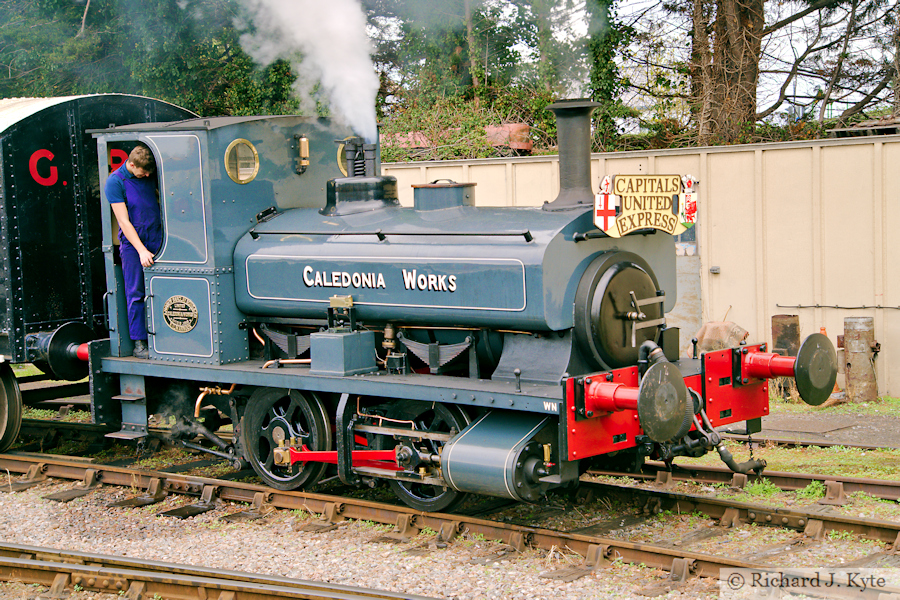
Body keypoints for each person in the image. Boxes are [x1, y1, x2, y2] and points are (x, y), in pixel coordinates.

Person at [105, 144, 162, 359]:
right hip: (132, 243)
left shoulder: (148, 173)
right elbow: (123, 221)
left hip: (156, 234)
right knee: (136, 292)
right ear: (130, 164)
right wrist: (141, 250)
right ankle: (140, 342)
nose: (146, 175)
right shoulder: (115, 181)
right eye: (143, 172)